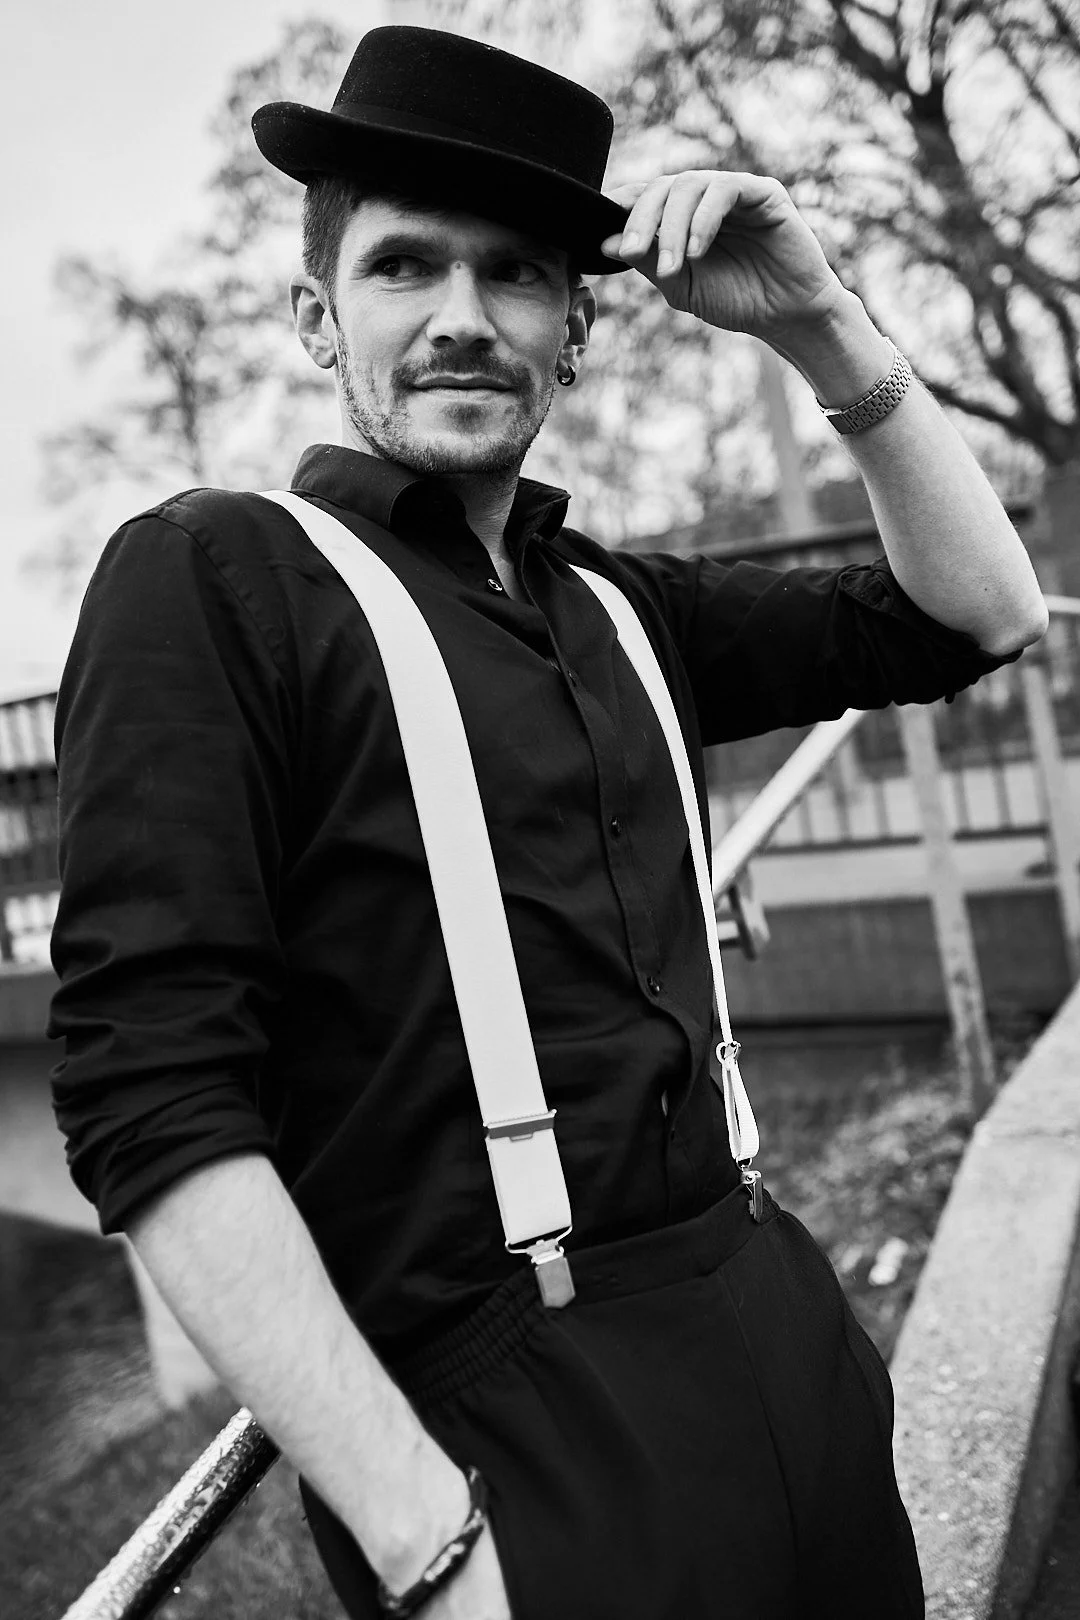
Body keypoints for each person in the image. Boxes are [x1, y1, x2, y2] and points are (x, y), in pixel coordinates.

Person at [49, 25, 1047, 1620]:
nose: (463, 318)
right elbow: (152, 1096)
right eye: (404, 268)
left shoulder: (619, 599)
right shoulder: (218, 579)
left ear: (576, 328)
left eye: (517, 274)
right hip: (512, 1421)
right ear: (317, 315)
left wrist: (820, 326)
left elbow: (983, 617)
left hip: (771, 1314)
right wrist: (427, 1543)